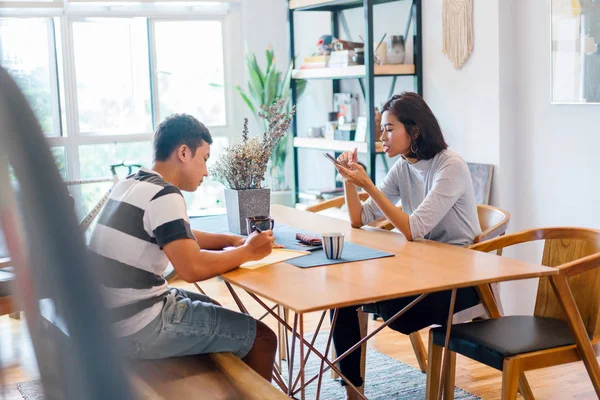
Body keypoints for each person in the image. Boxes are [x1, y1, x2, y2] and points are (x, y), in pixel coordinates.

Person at [88, 114, 277, 381]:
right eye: (205, 159)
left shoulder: (132, 183)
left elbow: (176, 234)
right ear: (184, 153)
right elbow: (192, 268)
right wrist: (248, 252)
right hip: (137, 326)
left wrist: (230, 240)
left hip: (109, 319)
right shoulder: (165, 195)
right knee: (263, 338)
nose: (207, 171)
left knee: (214, 307)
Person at [332, 92, 482, 398]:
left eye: (389, 128)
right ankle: (354, 392)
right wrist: (350, 181)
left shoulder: (449, 166)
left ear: (414, 131)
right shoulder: (404, 167)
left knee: (390, 309)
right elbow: (360, 219)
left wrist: (369, 185)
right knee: (344, 296)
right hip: (423, 269)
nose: (382, 136)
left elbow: (413, 229)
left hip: (461, 278)